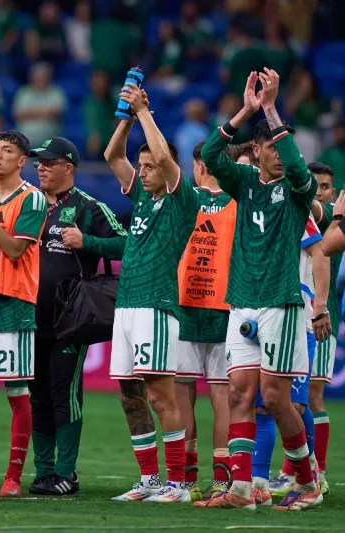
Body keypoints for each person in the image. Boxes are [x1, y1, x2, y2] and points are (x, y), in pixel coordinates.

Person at [197, 69, 322, 511]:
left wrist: (270, 108)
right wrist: (246, 110)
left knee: (274, 397)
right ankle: (243, 487)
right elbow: (211, 155)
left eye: (279, 146)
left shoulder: (297, 189)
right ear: (256, 150)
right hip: (241, 302)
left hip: (280, 305)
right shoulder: (244, 184)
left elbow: (296, 165)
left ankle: (306, 482)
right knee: (239, 396)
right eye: (268, 146)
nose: (276, 154)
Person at [104, 83, 197, 503]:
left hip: (157, 305)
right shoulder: (142, 196)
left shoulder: (182, 198)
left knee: (162, 394)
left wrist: (144, 110)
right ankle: (150, 480)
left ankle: (177, 482)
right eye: (140, 166)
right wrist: (125, 115)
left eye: (150, 166)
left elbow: (163, 155)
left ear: (168, 169)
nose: (143, 171)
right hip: (127, 306)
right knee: (129, 394)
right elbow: (111, 156)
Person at [31, 134, 127, 497]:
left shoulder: (89, 207)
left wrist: (88, 242)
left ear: (67, 167)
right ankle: (42, 473)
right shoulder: (29, 203)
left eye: (47, 162)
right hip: (30, 317)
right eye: (38, 162)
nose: (39, 167)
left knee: (64, 393)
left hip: (70, 319)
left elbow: (127, 242)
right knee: (37, 395)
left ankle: (66, 474)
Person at [0, 131, 47, 498]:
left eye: (7, 151)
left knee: (17, 394)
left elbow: (15, 249)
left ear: (22, 161)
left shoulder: (33, 199)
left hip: (12, 302)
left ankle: (14, 477)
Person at [252, 208, 330, 505]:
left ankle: (308, 472)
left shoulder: (294, 212)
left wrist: (320, 306)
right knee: (261, 405)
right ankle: (258, 482)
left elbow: (321, 252)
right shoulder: (248, 210)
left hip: (298, 320)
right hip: (259, 317)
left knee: (294, 404)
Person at [174, 141, 235, 502]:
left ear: (198, 167)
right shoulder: (237, 202)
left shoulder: (183, 198)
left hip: (184, 303)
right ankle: (224, 480)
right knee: (223, 397)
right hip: (224, 307)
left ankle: (186, 480)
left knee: (182, 393)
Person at [314, 162, 342, 496]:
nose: (319, 190)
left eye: (325, 186)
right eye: (314, 185)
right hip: (290, 314)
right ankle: (295, 469)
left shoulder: (333, 215)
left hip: (323, 317)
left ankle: (317, 471)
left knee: (312, 396)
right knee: (286, 399)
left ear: (332, 192)